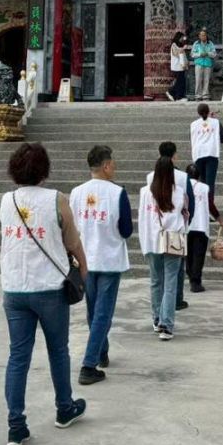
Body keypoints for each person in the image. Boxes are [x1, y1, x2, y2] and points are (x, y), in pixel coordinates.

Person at [0, 143, 89, 445]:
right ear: (44, 169)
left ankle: (15, 426)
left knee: (18, 356)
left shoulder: (6, 200)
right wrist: (84, 269)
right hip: (49, 287)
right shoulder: (56, 199)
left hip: (14, 288)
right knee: (58, 350)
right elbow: (72, 241)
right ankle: (64, 408)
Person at [69, 145, 133, 385]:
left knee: (93, 311)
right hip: (108, 258)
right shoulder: (117, 193)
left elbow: (71, 227)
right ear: (106, 166)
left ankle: (101, 351)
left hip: (84, 259)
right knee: (103, 313)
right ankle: (88, 364)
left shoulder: (76, 193)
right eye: (112, 163)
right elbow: (126, 230)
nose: (114, 166)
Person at [138, 155, 187, 340]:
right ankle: (166, 324)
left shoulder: (145, 193)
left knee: (156, 281)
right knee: (170, 283)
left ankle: (157, 318)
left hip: (152, 240)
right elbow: (183, 217)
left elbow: (143, 218)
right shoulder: (179, 192)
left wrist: (144, 241)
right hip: (173, 240)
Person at [147, 141, 195, 311]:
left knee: (157, 277)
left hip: (156, 230)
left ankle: (158, 313)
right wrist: (186, 223)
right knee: (175, 271)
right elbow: (190, 203)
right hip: (176, 229)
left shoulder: (150, 176)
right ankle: (176, 301)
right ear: (174, 155)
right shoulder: (182, 177)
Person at [190, 103, 223, 221]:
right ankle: (210, 210)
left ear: (198, 113)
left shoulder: (193, 124)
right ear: (209, 111)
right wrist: (215, 120)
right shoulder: (215, 122)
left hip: (198, 154)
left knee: (202, 182)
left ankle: (203, 209)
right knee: (210, 184)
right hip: (211, 154)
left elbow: (193, 139)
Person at [185, 163, 212, 293]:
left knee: (188, 253)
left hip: (186, 225)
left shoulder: (182, 187)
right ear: (199, 175)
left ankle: (190, 274)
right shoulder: (204, 187)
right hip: (200, 225)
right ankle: (196, 281)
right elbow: (211, 205)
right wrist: (219, 218)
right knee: (198, 254)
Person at [190, 28, 217, 100]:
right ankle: (198, 96)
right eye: (201, 35)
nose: (203, 37)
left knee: (206, 80)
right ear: (199, 36)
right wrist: (199, 54)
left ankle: (205, 96)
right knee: (198, 80)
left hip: (207, 64)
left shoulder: (210, 43)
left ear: (206, 36)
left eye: (204, 35)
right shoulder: (196, 43)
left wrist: (208, 53)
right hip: (199, 64)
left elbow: (214, 54)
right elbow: (192, 54)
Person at [167, 31, 189, 102]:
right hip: (177, 66)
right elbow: (176, 53)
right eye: (182, 38)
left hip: (181, 66)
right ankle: (175, 95)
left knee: (182, 81)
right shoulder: (174, 45)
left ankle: (178, 95)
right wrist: (183, 48)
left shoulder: (180, 45)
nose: (182, 39)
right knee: (179, 82)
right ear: (178, 37)